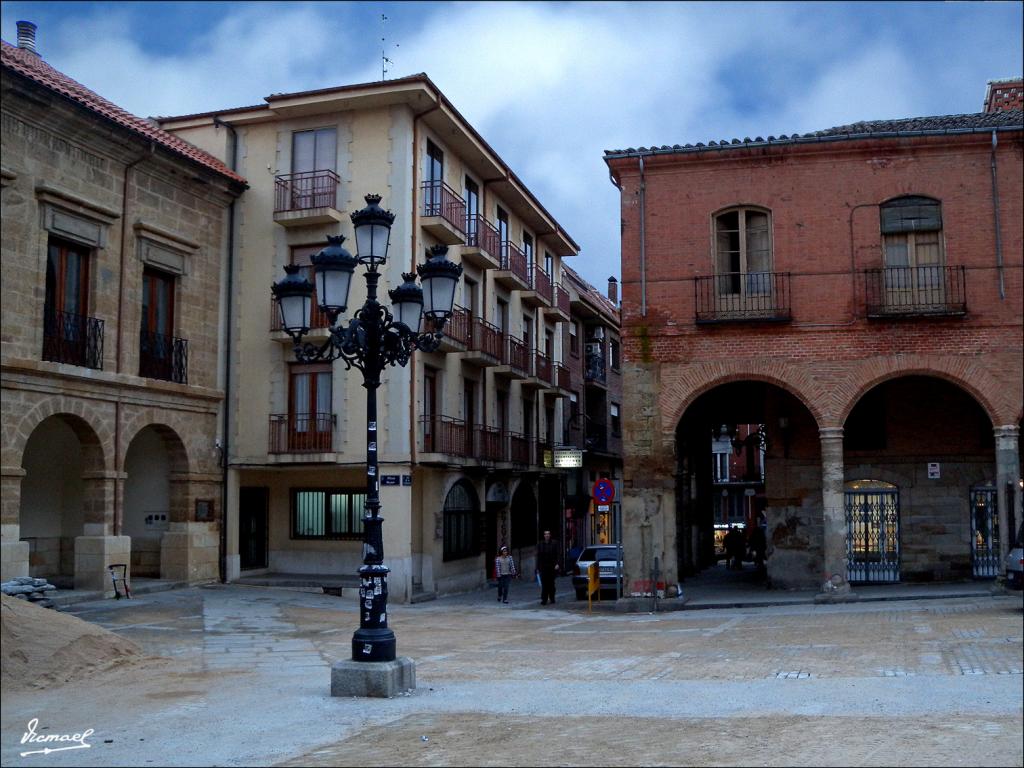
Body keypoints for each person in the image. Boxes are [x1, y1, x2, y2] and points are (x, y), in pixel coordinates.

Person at [535, 529, 560, 605]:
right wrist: (537, 567)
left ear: (550, 535)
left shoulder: (554, 543)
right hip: (543, 566)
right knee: (544, 583)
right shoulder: (540, 544)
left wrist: (557, 563)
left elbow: (558, 554)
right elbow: (538, 556)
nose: (547, 535)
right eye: (545, 534)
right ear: (544, 536)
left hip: (552, 566)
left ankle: (552, 597)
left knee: (551, 583)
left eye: (548, 534)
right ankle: (544, 599)